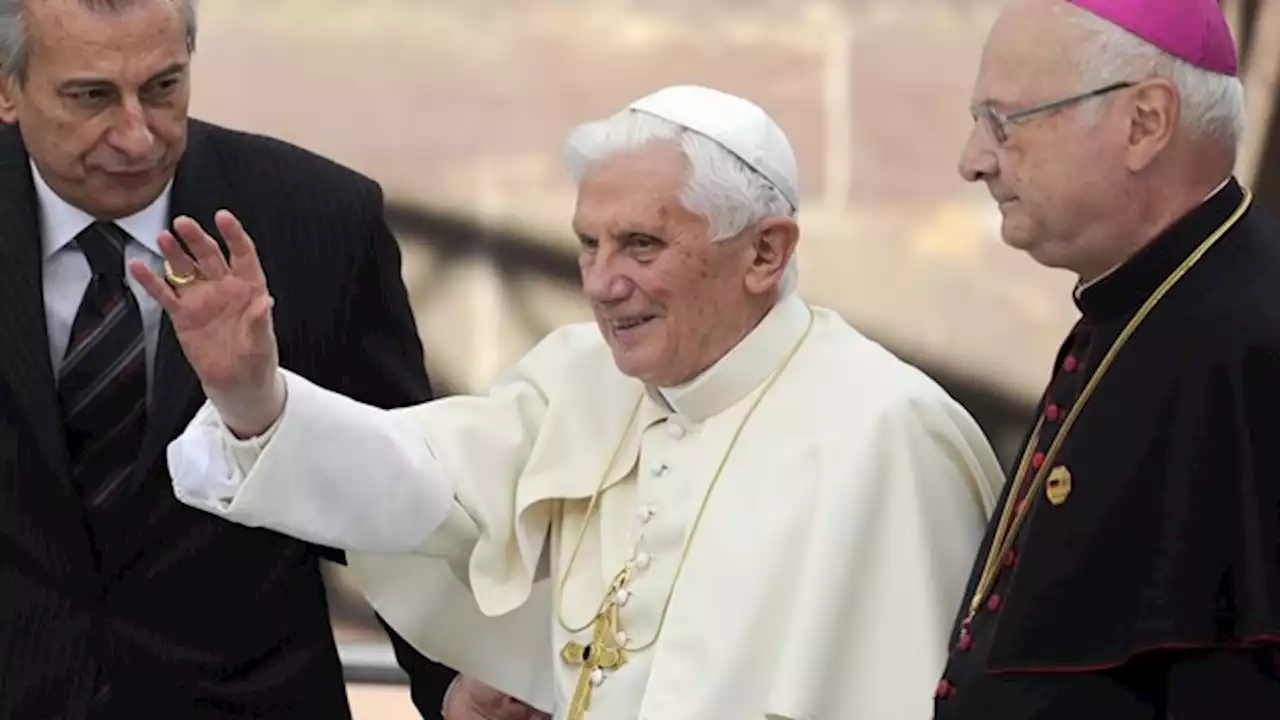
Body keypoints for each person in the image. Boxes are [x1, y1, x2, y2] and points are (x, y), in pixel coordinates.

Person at [141, 82, 1007, 719]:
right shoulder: (583, 374)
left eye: (640, 244)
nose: (601, 283)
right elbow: (419, 481)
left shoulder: (889, 434)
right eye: (587, 244)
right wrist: (251, 390)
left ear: (765, 254)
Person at [0, 0, 458, 716]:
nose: (135, 135)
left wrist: (454, 687)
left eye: (163, 88)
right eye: (90, 96)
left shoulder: (322, 222)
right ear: (7, 89)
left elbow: (405, 497)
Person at [935, 0, 1280, 717]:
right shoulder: (1133, 307)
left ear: (1144, 123)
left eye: (1005, 120)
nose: (974, 160)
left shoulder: (1251, 344)